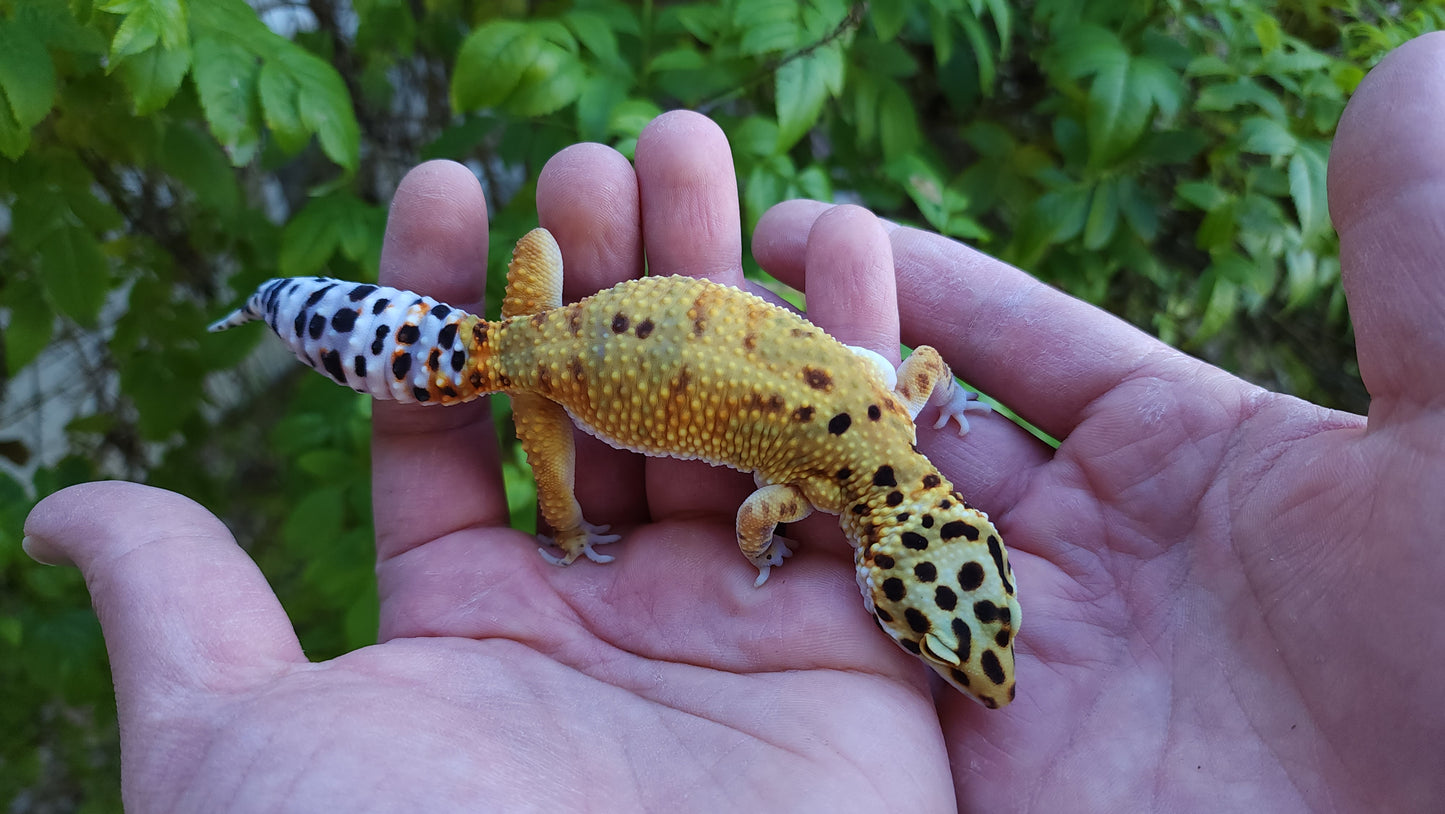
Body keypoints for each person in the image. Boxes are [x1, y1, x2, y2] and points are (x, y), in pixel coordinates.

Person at [23, 32, 1444, 813]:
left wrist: (922, 416)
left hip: (557, 314)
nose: (956, 652)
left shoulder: (895, 411)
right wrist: (571, 529)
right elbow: (762, 509)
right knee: (528, 435)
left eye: (951, 637)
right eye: (957, 627)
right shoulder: (812, 493)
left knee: (521, 270)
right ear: (910, 560)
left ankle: (309, 316)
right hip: (540, 366)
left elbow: (933, 360)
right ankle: (341, 340)